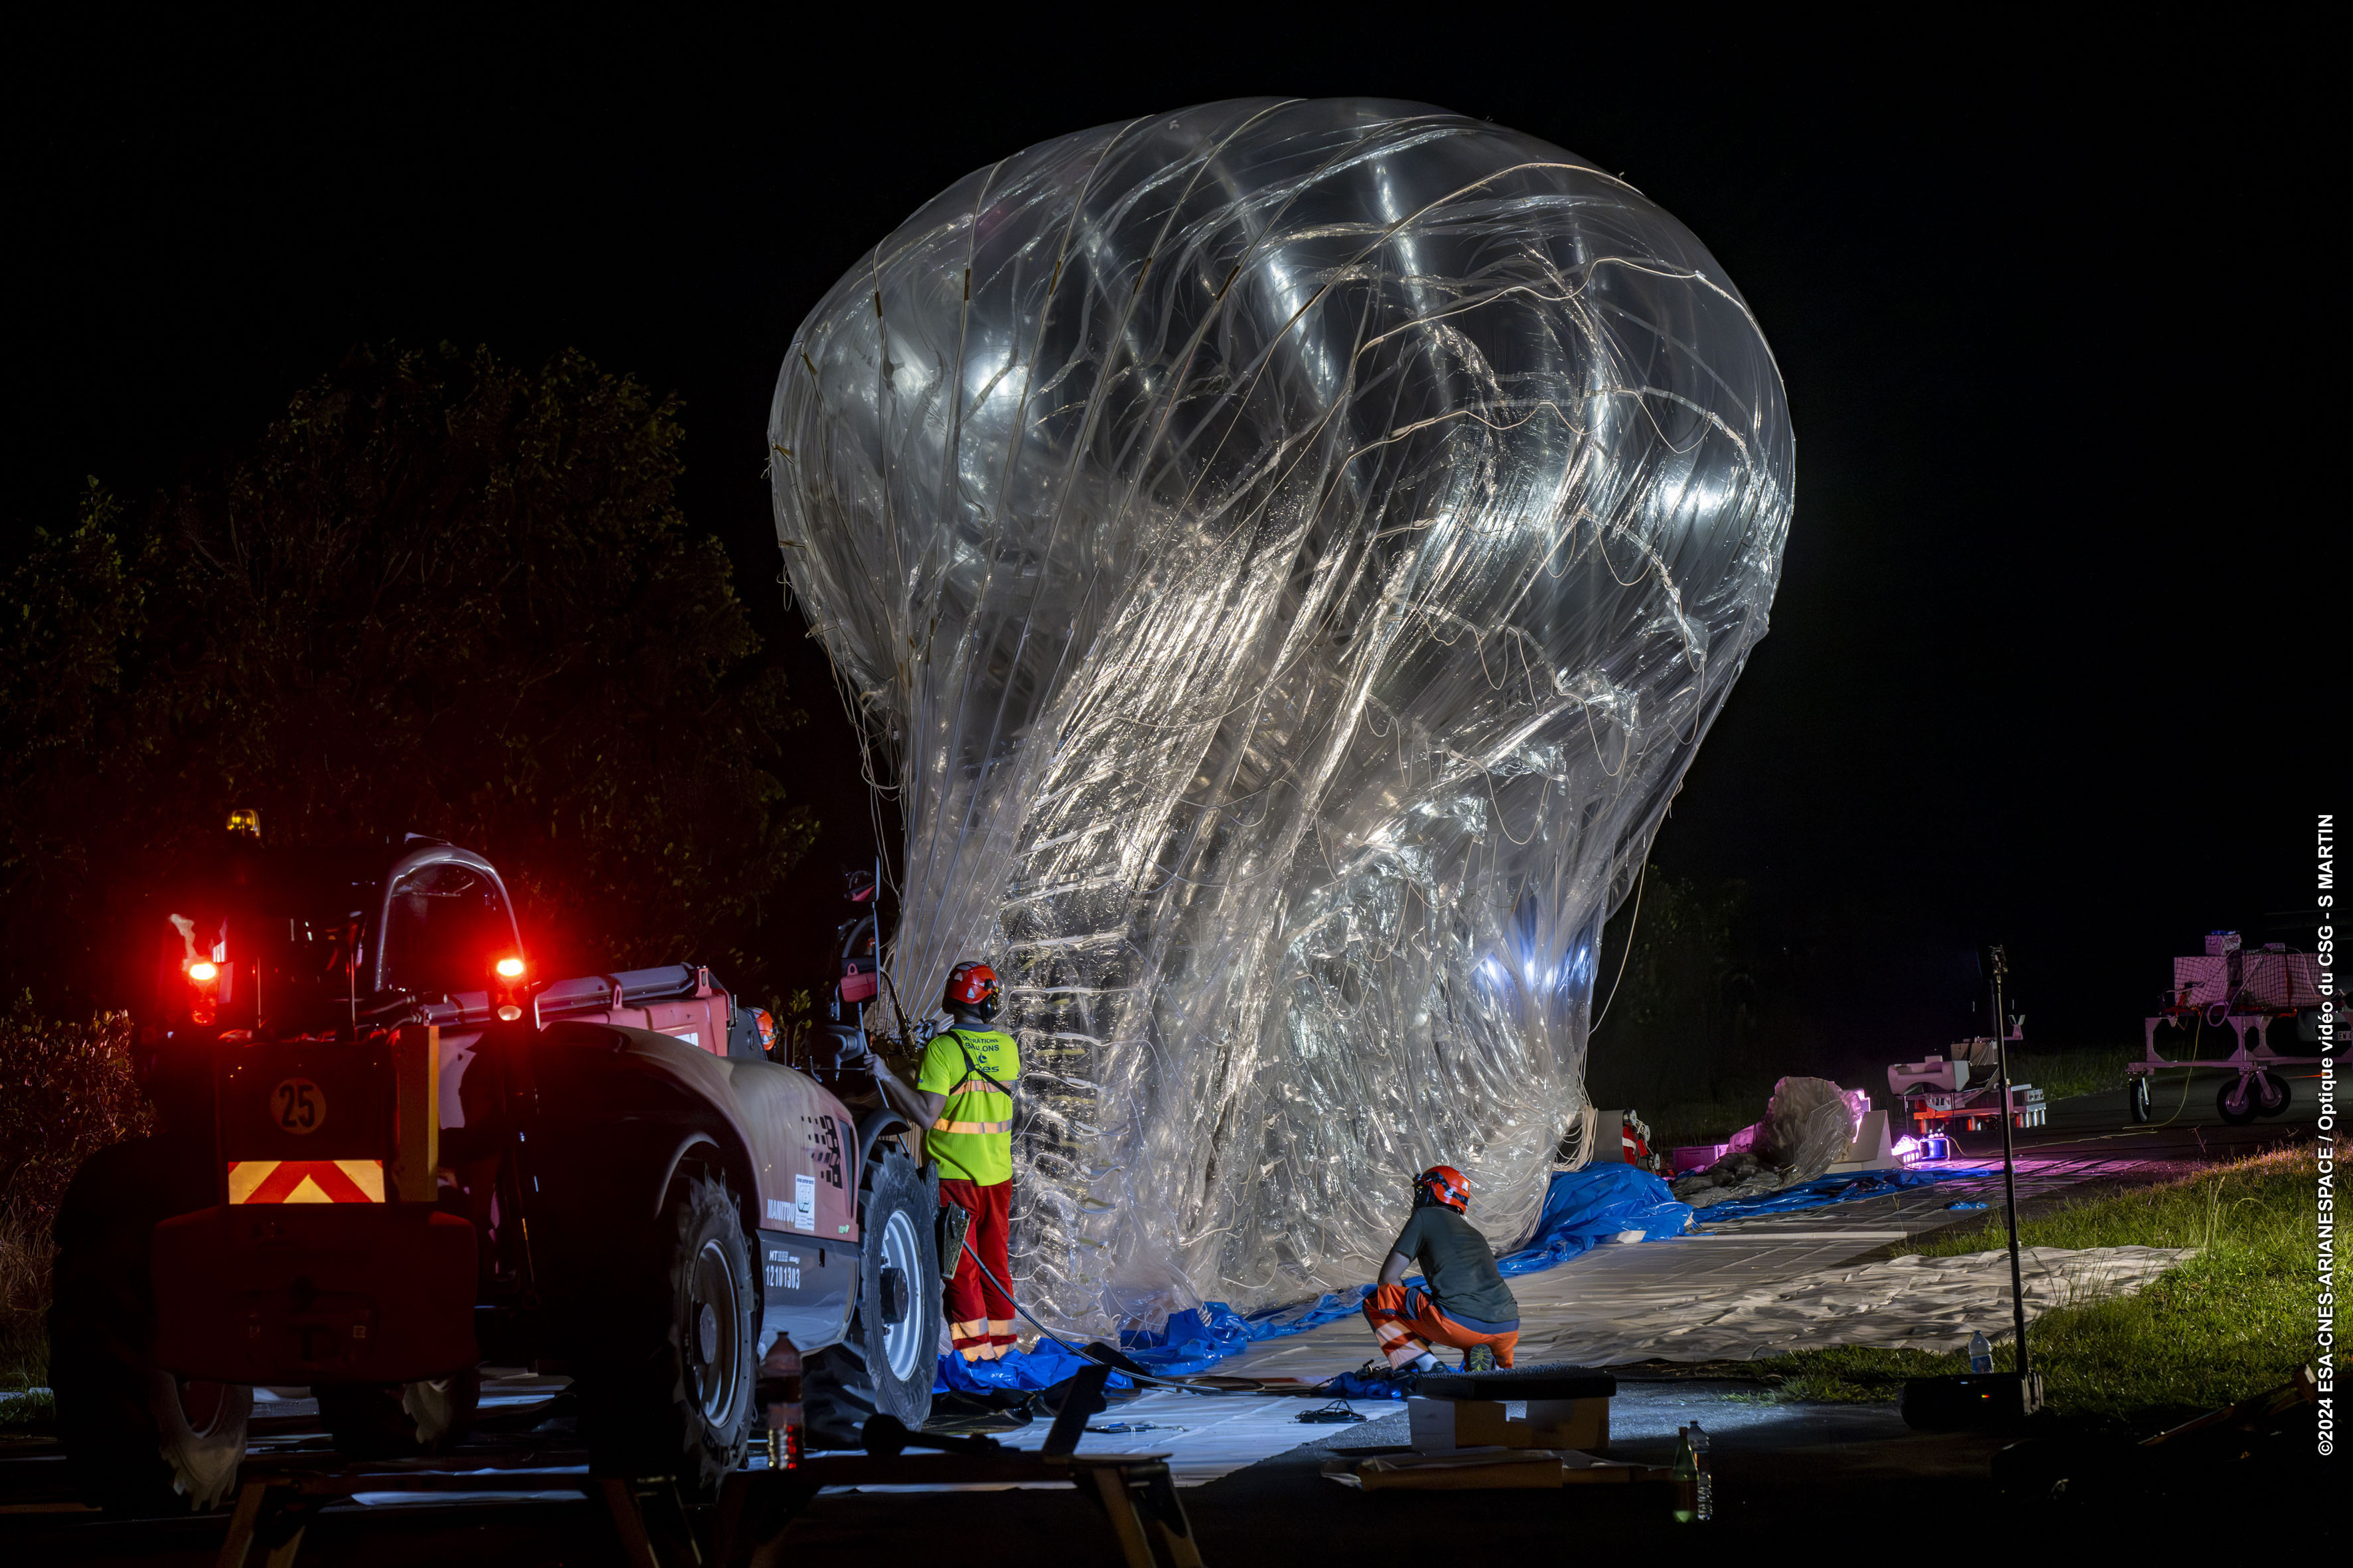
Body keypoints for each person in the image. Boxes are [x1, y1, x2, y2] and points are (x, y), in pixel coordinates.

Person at [874, 960, 1021, 1361]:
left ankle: (975, 1361)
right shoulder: (1008, 1049)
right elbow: (977, 1072)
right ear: (988, 1004)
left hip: (955, 1184)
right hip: (999, 1179)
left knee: (962, 1275)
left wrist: (887, 1075)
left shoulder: (942, 1051)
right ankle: (1005, 1357)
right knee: (995, 1269)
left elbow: (924, 1114)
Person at [1362, 1164, 1520, 1374]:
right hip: (1508, 1327)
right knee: (1458, 1315)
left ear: (1435, 1190)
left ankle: (1426, 1367)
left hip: (1459, 1326)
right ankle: (1491, 1365)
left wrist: (1411, 1326)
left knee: (1377, 1301)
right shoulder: (1475, 1234)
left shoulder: (1424, 1217)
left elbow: (1387, 1279)